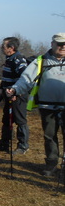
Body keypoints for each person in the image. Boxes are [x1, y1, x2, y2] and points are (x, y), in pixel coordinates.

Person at [6, 33, 65, 176]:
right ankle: (51, 164)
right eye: (59, 44)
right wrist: (14, 89)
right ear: (52, 44)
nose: (62, 47)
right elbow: (26, 79)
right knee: (49, 136)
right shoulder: (41, 61)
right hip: (47, 107)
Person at [0, 37, 29, 154]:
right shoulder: (9, 59)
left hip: (17, 96)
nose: (2, 48)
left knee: (20, 120)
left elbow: (24, 78)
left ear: (11, 48)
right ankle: (4, 144)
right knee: (6, 120)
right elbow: (6, 78)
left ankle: (23, 146)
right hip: (7, 95)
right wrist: (2, 89)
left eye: (3, 46)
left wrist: (16, 92)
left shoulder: (18, 60)